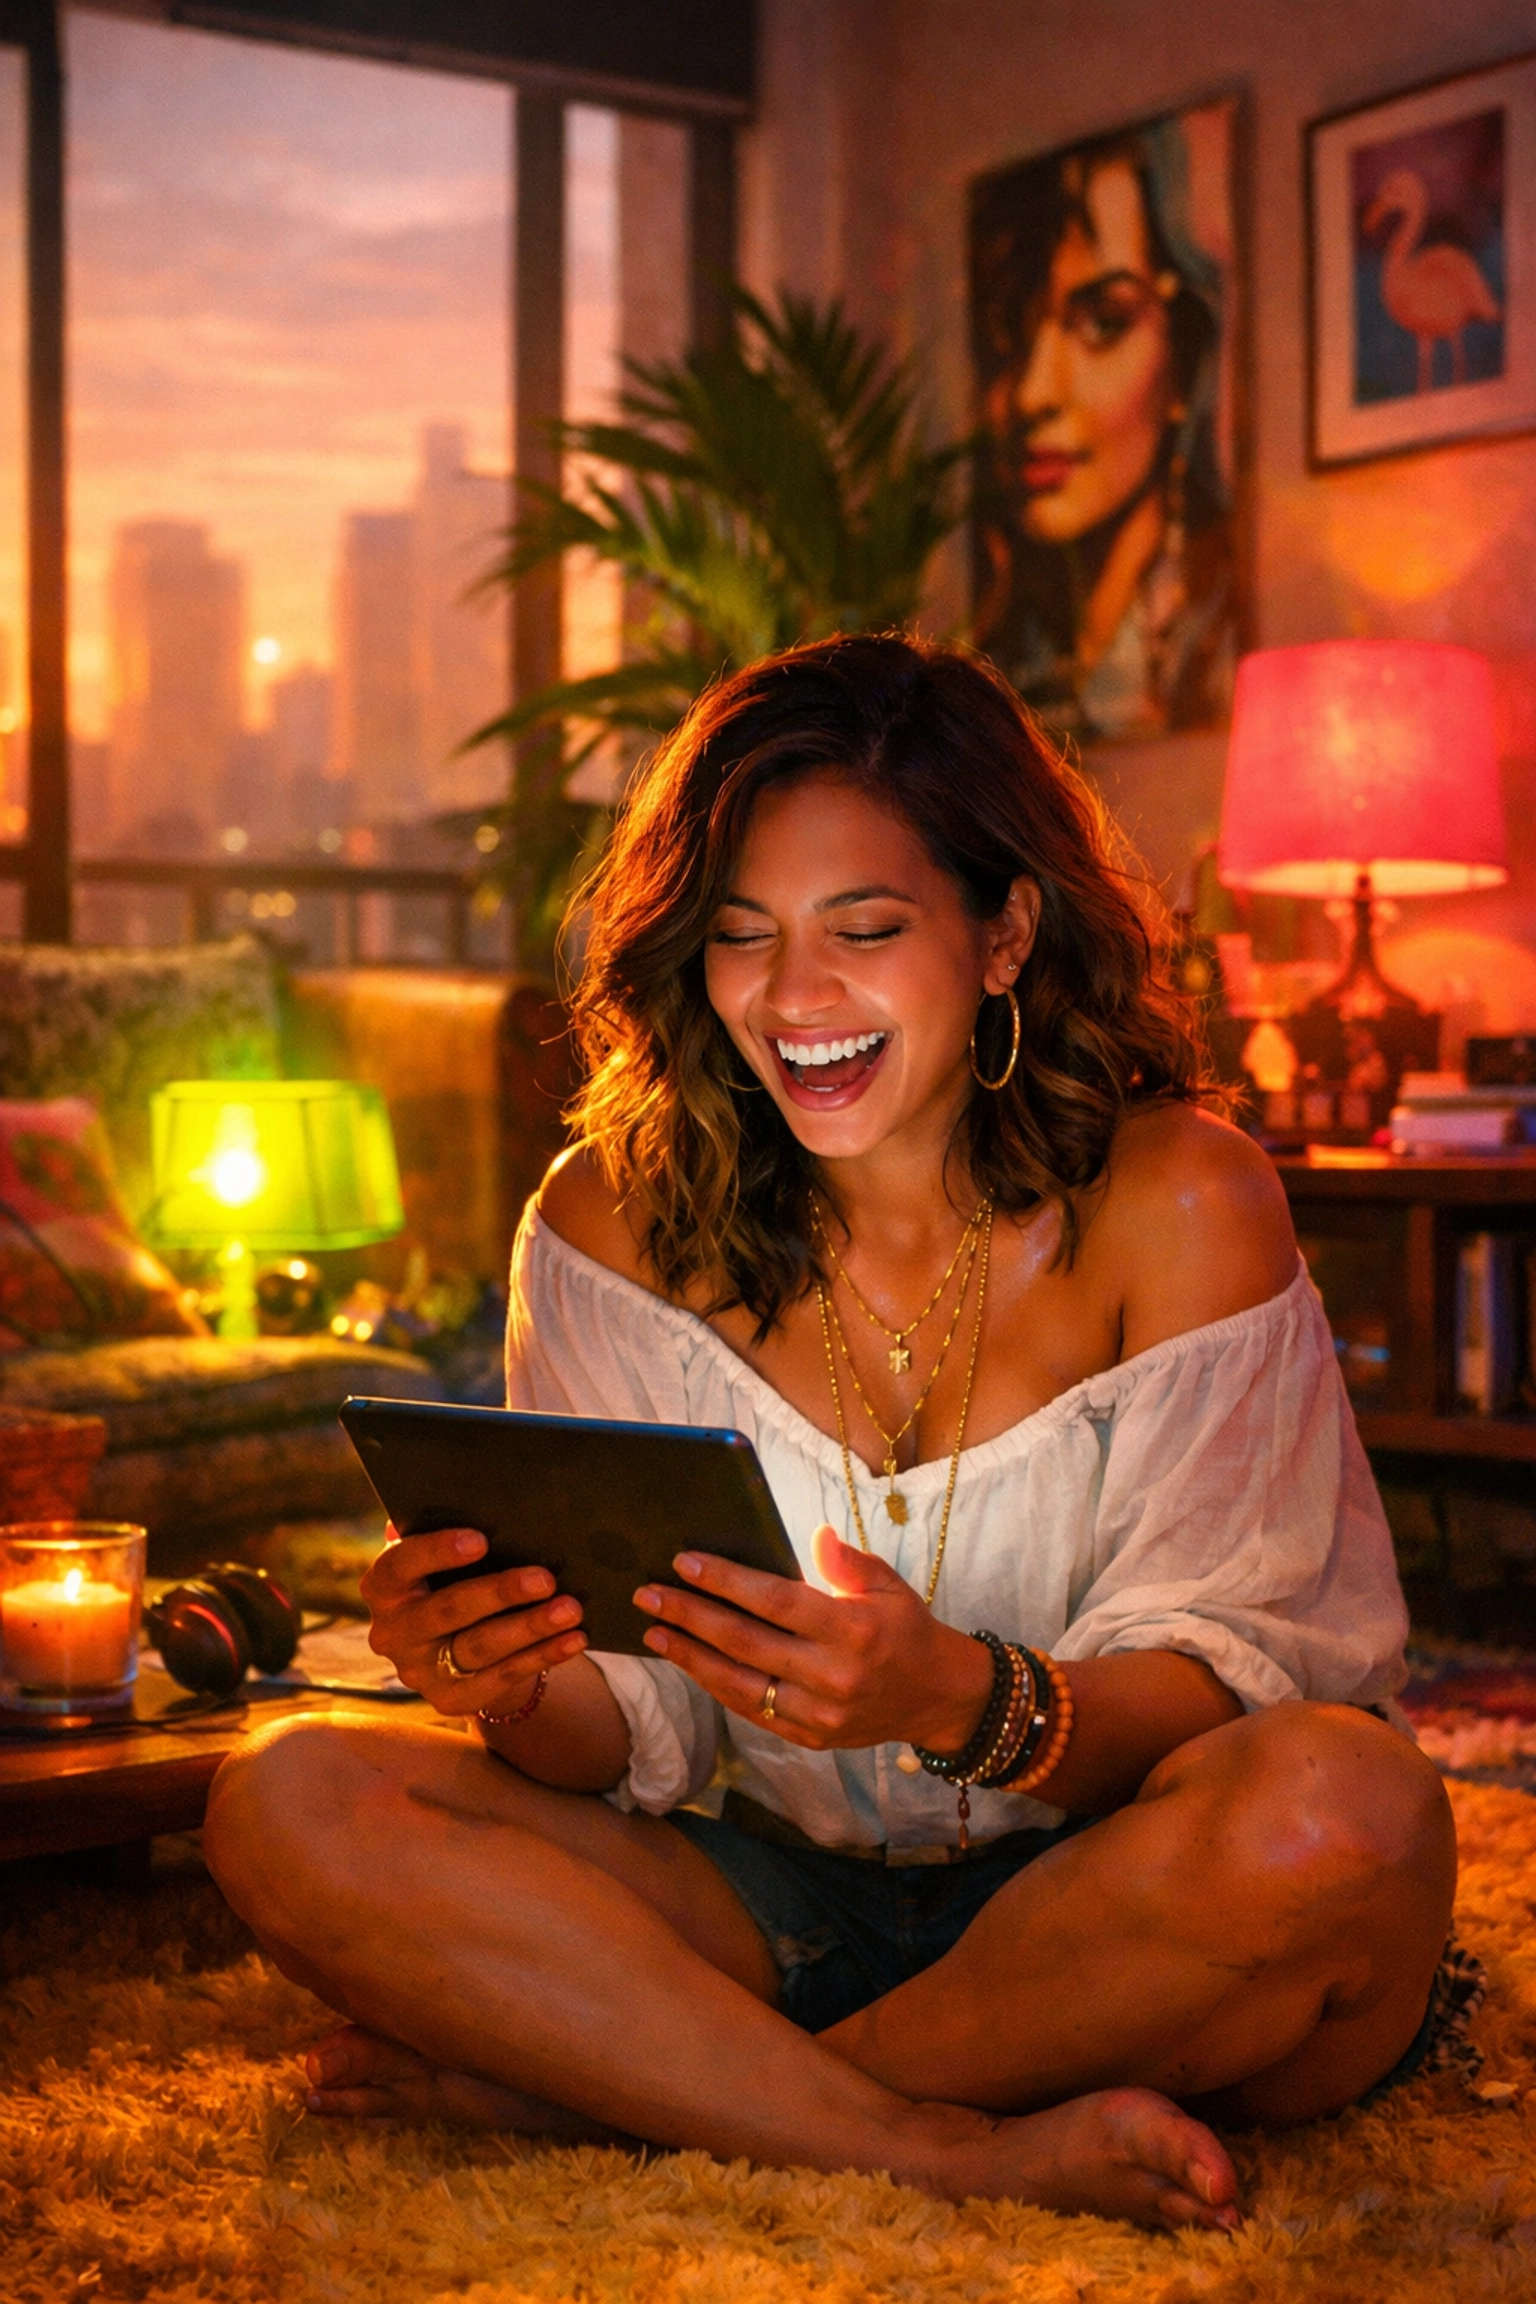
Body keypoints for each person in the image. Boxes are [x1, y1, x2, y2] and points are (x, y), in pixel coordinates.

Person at [205, 635, 1457, 2233]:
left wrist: (963, 1697)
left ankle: (642, 2086)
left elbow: (1243, 1683)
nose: (795, 1000)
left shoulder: (1184, 1201)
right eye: (742, 940)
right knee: (287, 1798)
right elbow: (626, 1737)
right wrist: (513, 1683)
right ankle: (929, 2141)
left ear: (1005, 933)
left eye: (864, 929)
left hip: (1118, 1903)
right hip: (757, 1895)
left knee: (1348, 1815)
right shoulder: (606, 1225)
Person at [971, 122, 1236, 737]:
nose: (1033, 393)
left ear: (1185, 358)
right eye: (1011, 326)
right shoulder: (988, 676)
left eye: (1102, 322)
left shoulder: (1208, 647)